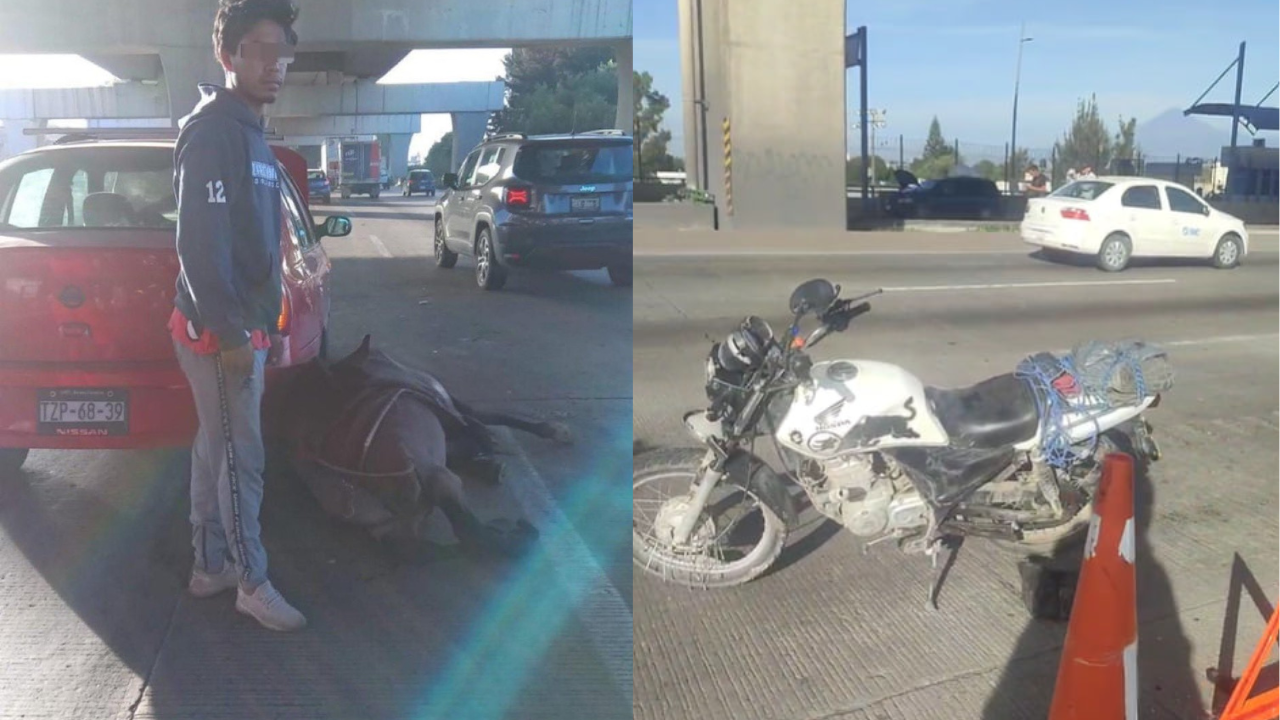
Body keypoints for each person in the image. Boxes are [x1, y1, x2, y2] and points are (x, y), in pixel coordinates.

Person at [168, 0, 306, 632]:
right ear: (228, 56)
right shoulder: (213, 130)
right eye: (259, 49)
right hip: (214, 332)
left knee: (214, 447)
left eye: (283, 51)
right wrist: (229, 333)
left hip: (242, 325)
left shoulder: (251, 131)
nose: (275, 64)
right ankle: (251, 580)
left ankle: (210, 565)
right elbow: (201, 243)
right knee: (240, 457)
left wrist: (270, 325)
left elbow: (261, 246)